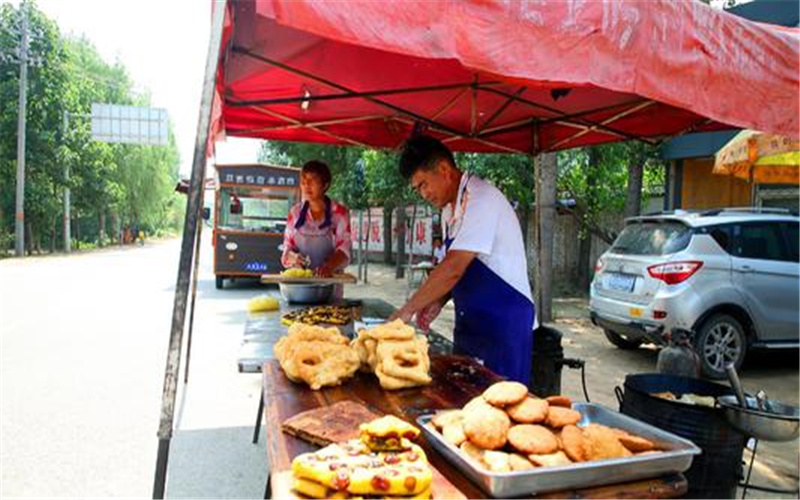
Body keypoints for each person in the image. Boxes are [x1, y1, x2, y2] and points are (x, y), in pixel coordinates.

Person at [390, 135, 537, 385]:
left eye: (424, 184)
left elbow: (454, 267)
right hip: (471, 323)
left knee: (502, 402)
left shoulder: (482, 199)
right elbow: (462, 267)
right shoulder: (449, 210)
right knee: (463, 396)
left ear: (444, 169)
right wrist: (438, 299)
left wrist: (407, 310)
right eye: (417, 189)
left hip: (503, 327)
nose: (423, 194)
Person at [281, 160, 352, 278]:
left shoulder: (339, 214)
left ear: (325, 185)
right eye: (303, 181)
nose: (307, 185)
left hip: (330, 283)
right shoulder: (295, 213)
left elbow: (344, 250)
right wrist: (293, 257)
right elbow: (287, 249)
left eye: (312, 180)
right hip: (300, 283)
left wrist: (329, 266)